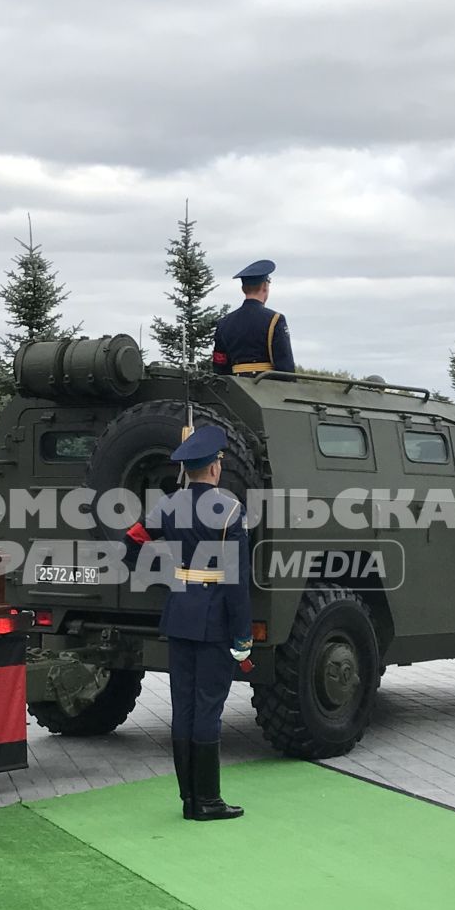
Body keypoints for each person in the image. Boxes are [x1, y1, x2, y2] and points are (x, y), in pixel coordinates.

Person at [125, 424, 249, 820]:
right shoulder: (230, 510)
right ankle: (208, 801)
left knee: (184, 708)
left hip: (179, 615)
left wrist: (170, 572)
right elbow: (236, 580)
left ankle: (189, 800)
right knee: (208, 709)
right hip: (214, 622)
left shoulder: (166, 506)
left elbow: (130, 545)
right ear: (214, 468)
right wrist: (243, 634)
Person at [211, 259, 295, 375]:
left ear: (243, 289)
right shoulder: (275, 319)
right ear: (265, 287)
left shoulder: (223, 323)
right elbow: (286, 368)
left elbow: (219, 366)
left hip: (234, 387)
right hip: (266, 387)